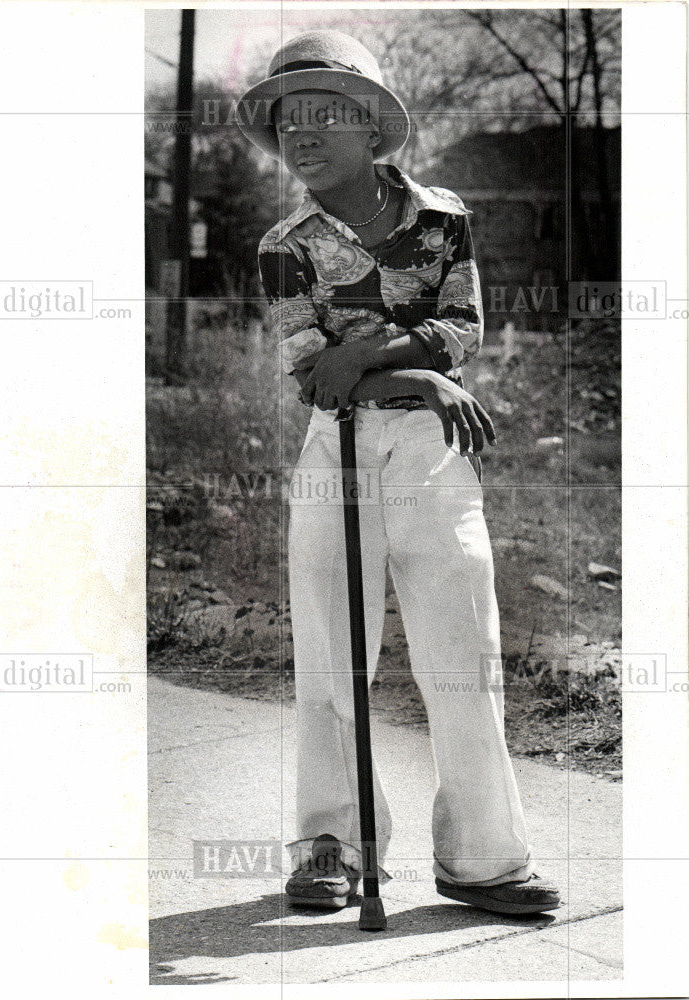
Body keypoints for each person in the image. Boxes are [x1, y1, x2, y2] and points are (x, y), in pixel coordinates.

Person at [237, 29, 560, 916]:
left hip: (431, 450)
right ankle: (330, 847)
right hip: (332, 449)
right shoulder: (286, 243)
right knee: (331, 653)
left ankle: (482, 860)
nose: (298, 136)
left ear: (370, 126)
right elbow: (312, 369)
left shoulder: (443, 217)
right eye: (284, 121)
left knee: (463, 649)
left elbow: (464, 326)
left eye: (320, 116)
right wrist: (414, 369)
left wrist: (383, 358)